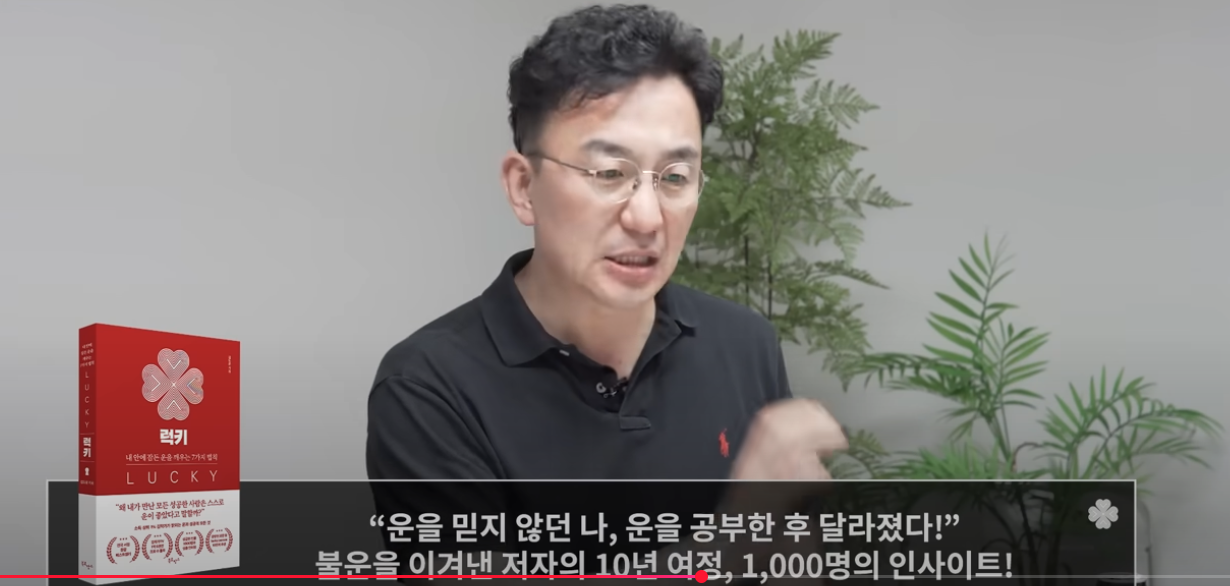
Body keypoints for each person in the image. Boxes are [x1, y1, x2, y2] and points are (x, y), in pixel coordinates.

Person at [366, 3, 846, 486]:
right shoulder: (427, 388)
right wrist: (748, 519)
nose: (647, 217)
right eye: (610, 173)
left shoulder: (744, 345)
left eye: (675, 177)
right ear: (524, 187)